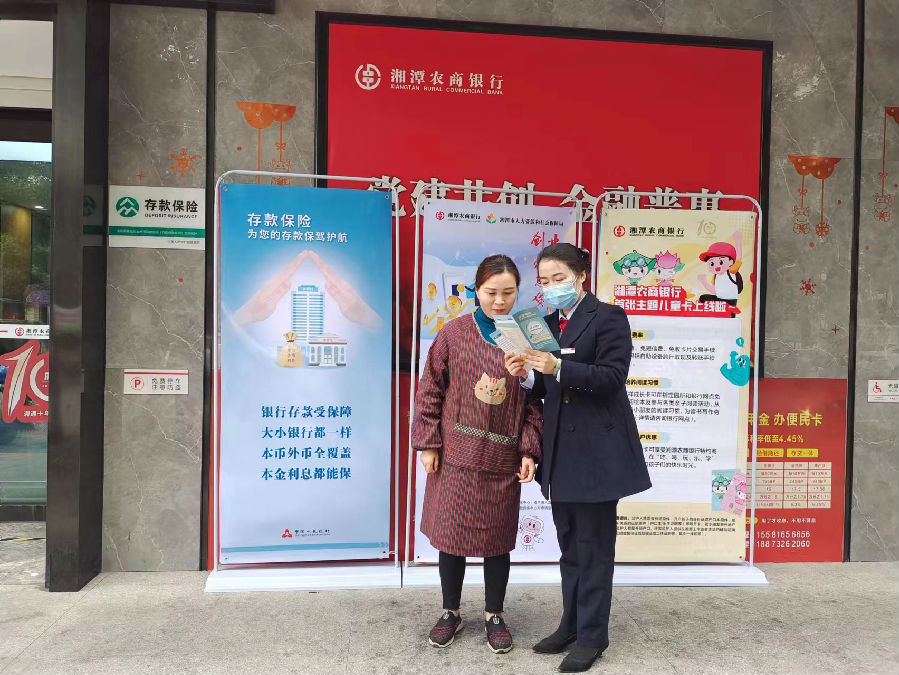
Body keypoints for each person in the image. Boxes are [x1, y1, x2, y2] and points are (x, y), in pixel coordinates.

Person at [505, 243, 651, 673]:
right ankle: (570, 625)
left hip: (598, 455)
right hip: (560, 455)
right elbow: (545, 389)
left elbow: (612, 377)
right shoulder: (545, 325)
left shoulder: (608, 317)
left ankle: (592, 636)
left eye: (559, 279)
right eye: (544, 281)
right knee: (569, 547)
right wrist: (527, 375)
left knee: (594, 550)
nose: (551, 287)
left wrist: (557, 368)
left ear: (581, 275)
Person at [411, 254, 543, 655]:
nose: (499, 301)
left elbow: (537, 403)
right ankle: (450, 611)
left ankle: (494, 614)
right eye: (491, 292)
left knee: (497, 540)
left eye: (508, 293)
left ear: (518, 292)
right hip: (455, 455)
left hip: (502, 457)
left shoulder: (529, 338)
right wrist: (428, 442)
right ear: (476, 291)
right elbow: (430, 389)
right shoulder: (453, 333)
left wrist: (529, 450)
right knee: (450, 538)